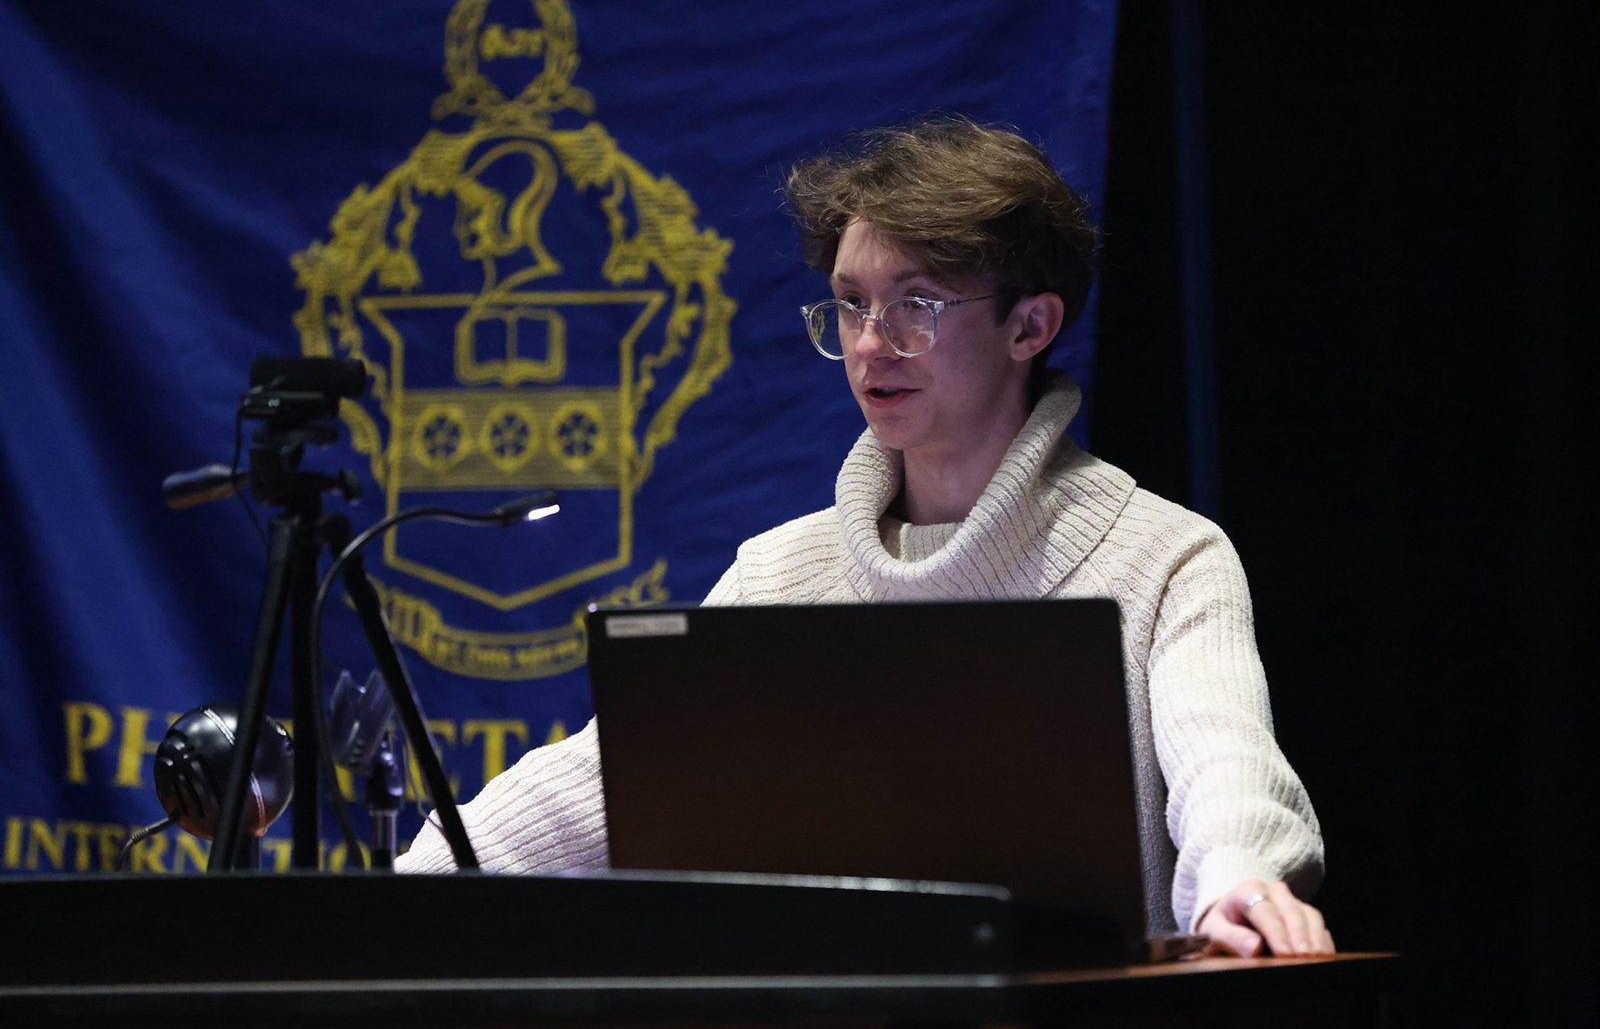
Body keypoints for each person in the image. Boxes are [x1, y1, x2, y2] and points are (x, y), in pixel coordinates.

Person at [398, 115, 1334, 958]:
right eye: (850, 303)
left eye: (916, 305)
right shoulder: (777, 575)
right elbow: (609, 781)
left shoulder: (1166, 557)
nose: (869, 342)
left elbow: (1224, 762)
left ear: (1030, 325)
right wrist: (400, 891)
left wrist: (1238, 880)